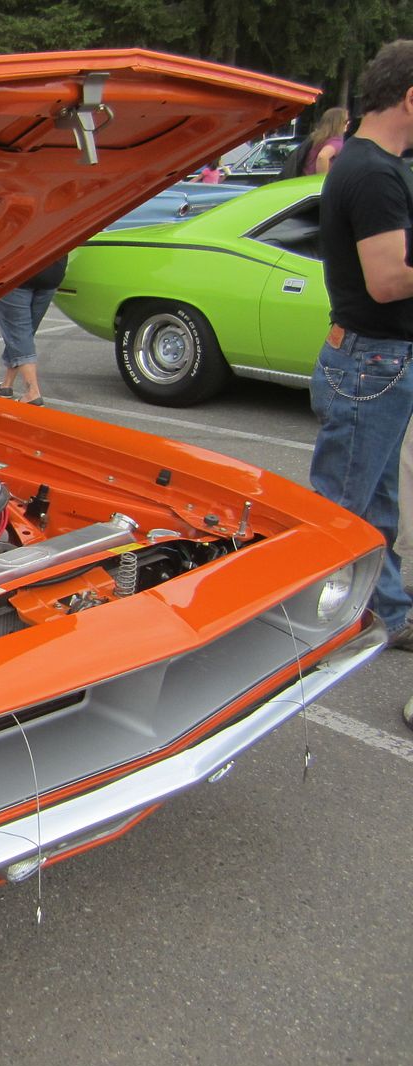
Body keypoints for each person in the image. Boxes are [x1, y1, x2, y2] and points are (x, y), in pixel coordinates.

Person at [310, 39, 413, 653]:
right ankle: (303, 623)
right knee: (342, 512)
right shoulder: (374, 172)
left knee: (372, 504)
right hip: (372, 359)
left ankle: (390, 611)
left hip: (372, 358)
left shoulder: (369, 164)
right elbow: (387, 280)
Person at [0, 253, 67, 405]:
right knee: (23, 333)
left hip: (14, 272)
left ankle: (32, 392)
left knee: (19, 333)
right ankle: (7, 384)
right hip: (52, 271)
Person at [302, 106, 349, 175]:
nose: (348, 123)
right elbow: (322, 157)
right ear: (338, 123)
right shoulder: (336, 141)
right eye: (346, 121)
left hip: (305, 178)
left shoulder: (317, 137)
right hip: (317, 180)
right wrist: (323, 178)